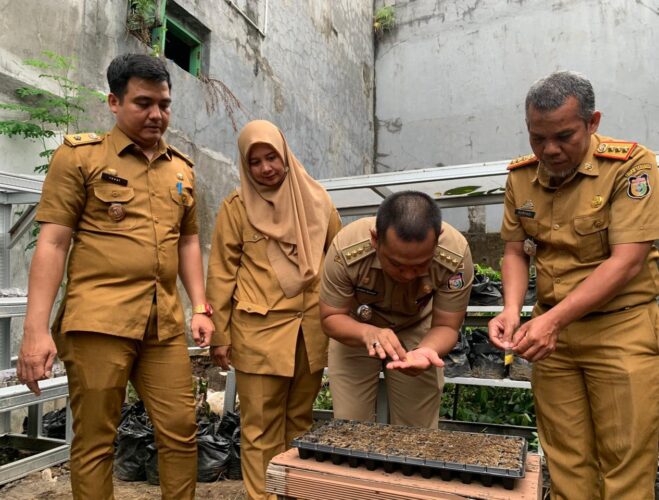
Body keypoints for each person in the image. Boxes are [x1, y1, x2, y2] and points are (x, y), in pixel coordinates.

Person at [16, 53, 215, 500]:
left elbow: (188, 242)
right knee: (95, 441)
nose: (156, 114)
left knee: (182, 431)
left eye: (164, 104)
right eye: (143, 103)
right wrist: (34, 330)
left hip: (161, 323)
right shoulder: (80, 157)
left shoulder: (181, 169)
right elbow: (52, 242)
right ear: (113, 101)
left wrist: (199, 306)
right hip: (97, 322)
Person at [488, 70, 659, 499]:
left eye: (563, 136)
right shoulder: (521, 177)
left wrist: (553, 321)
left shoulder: (632, 166)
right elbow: (514, 251)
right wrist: (511, 310)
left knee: (625, 461)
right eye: (537, 137)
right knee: (565, 460)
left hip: (621, 329)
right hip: (551, 337)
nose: (550, 150)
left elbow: (627, 261)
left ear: (592, 122)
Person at [206, 119, 341, 500]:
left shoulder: (318, 201)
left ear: (285, 155)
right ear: (245, 167)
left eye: (272, 158)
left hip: (310, 332)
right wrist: (220, 334)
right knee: (260, 427)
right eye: (255, 162)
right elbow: (221, 273)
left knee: (300, 422)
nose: (266, 168)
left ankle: (292, 493)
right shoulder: (236, 209)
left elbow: (338, 263)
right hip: (259, 334)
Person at [320, 191, 473, 428]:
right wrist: (367, 333)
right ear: (374, 239)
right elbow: (331, 316)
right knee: (349, 428)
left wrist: (426, 351)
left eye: (420, 265)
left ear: (438, 239)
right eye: (397, 264)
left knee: (417, 434)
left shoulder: (455, 255)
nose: (408, 275)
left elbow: (446, 325)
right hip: (355, 330)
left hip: (416, 329)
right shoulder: (346, 248)